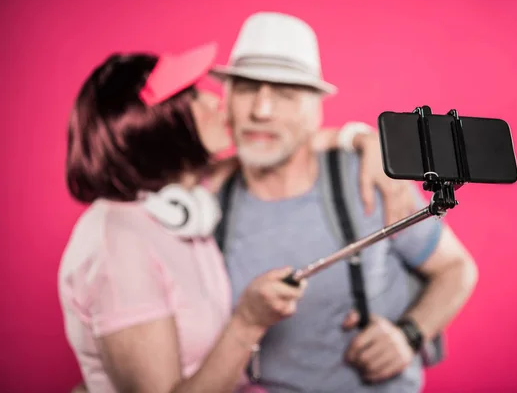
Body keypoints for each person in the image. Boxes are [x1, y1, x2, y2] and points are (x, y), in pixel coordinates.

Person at [58, 42, 406, 393]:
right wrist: (247, 322)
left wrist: (360, 138)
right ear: (157, 124)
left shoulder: (183, 200)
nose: (214, 101)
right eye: (193, 96)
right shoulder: (118, 243)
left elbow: (284, 143)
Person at [209, 12, 479, 392]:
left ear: (314, 108)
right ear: (228, 99)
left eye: (285, 93)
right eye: (247, 89)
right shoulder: (205, 201)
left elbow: (456, 268)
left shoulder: (365, 180)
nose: (261, 111)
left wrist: (409, 335)